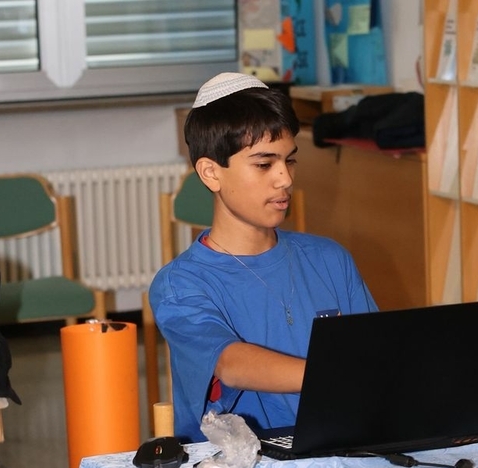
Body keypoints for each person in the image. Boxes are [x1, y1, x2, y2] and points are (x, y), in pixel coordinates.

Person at [149, 72, 378, 442]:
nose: (285, 179)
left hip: (338, 446)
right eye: (264, 164)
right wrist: (338, 374)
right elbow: (231, 363)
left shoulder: (329, 258)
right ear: (210, 173)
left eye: (290, 161)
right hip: (238, 467)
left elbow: (374, 354)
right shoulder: (180, 284)